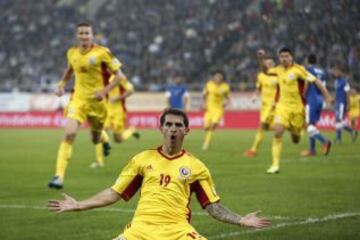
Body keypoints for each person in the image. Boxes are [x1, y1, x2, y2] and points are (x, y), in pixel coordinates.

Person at [48, 108, 271, 239]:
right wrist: (78, 205)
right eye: (169, 124)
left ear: (186, 130)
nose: (173, 128)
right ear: (161, 128)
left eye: (178, 125)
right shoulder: (142, 159)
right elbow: (114, 193)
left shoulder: (196, 166)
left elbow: (213, 207)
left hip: (178, 232)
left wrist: (242, 220)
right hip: (139, 232)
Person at [48, 22, 127, 189]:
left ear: (92, 35)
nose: (84, 36)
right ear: (77, 35)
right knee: (69, 135)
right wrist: (61, 84)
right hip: (78, 100)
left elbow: (120, 76)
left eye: (87, 33)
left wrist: (105, 91)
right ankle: (58, 177)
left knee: (95, 138)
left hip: (98, 104)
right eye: (81, 33)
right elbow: (70, 69)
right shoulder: (72, 52)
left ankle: (104, 140)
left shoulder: (102, 52)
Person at [263, 48, 332, 174]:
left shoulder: (299, 70)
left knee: (296, 139)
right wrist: (261, 59)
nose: (284, 58)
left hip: (297, 109)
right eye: (282, 56)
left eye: (287, 56)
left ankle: (295, 132)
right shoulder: (278, 70)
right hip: (282, 107)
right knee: (278, 132)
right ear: (279, 58)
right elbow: (266, 71)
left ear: (292, 57)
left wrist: (326, 95)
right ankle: (275, 165)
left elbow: (316, 81)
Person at [91, 75, 140, 168]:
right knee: (99, 132)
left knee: (118, 139)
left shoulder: (119, 77)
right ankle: (99, 161)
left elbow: (131, 91)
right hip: (107, 110)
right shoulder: (101, 76)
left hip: (119, 111)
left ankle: (131, 130)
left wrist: (117, 98)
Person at [244, 51, 277, 157]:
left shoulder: (278, 76)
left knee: (261, 126)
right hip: (264, 106)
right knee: (267, 127)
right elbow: (258, 88)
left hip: (274, 106)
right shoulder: (261, 76)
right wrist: (254, 96)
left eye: (272, 63)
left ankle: (253, 149)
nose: (270, 65)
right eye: (268, 63)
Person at [301, 54, 332, 157]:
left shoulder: (308, 70)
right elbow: (323, 85)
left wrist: (303, 95)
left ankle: (324, 141)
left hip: (311, 99)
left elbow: (307, 83)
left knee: (308, 125)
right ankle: (312, 150)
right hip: (319, 99)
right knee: (313, 125)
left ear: (308, 60)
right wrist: (326, 97)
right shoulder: (322, 71)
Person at [202, 70, 230, 150]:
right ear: (214, 77)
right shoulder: (209, 85)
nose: (218, 78)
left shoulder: (225, 87)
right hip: (209, 109)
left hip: (219, 109)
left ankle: (206, 143)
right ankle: (207, 136)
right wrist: (204, 103)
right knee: (206, 128)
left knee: (213, 126)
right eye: (217, 77)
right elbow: (204, 94)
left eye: (220, 77)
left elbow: (227, 98)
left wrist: (226, 103)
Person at [333, 64, 358, 143]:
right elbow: (337, 92)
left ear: (341, 72)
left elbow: (347, 93)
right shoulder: (336, 81)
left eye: (337, 71)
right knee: (338, 121)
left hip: (342, 103)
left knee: (338, 120)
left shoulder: (344, 82)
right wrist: (333, 99)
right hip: (337, 102)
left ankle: (338, 139)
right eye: (335, 71)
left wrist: (348, 103)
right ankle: (352, 132)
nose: (335, 73)